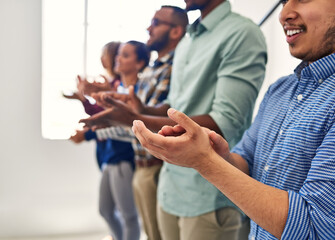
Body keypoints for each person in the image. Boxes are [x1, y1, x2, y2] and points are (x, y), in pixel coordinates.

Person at [132, 0, 335, 239]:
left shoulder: (241, 34)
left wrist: (205, 162)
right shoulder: (279, 90)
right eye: (284, 2)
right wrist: (211, 153)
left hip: (205, 202)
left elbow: (315, 225)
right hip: (175, 189)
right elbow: (245, 161)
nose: (284, 14)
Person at [80, 0, 267, 239]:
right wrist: (141, 108)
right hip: (170, 186)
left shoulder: (241, 33)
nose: (150, 28)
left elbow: (226, 121)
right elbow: (175, 109)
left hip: (207, 193)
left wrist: (134, 118)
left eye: (156, 23)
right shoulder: (188, 41)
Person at [91, 6, 188, 240]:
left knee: (143, 225)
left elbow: (159, 117)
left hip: (153, 163)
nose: (149, 27)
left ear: (175, 31)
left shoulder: (174, 68)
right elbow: (141, 113)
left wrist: (103, 125)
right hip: (140, 161)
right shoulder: (153, 71)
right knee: (147, 229)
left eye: (156, 23)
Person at [67, 40, 150, 240]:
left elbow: (127, 127)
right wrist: (87, 100)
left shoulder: (138, 91)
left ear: (139, 63)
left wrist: (88, 133)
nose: (116, 59)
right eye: (117, 54)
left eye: (124, 55)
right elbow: (109, 120)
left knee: (129, 216)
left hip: (123, 156)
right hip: (110, 155)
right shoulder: (118, 88)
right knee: (105, 210)